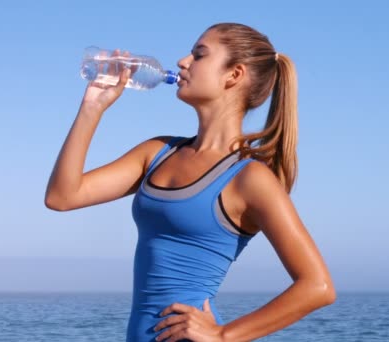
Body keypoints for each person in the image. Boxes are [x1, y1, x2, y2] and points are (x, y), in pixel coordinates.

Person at [45, 22, 336, 342]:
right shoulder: (158, 152)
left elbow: (318, 286)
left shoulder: (249, 178)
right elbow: (62, 197)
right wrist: (93, 107)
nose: (183, 61)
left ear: (234, 75)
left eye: (199, 55)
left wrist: (224, 334)